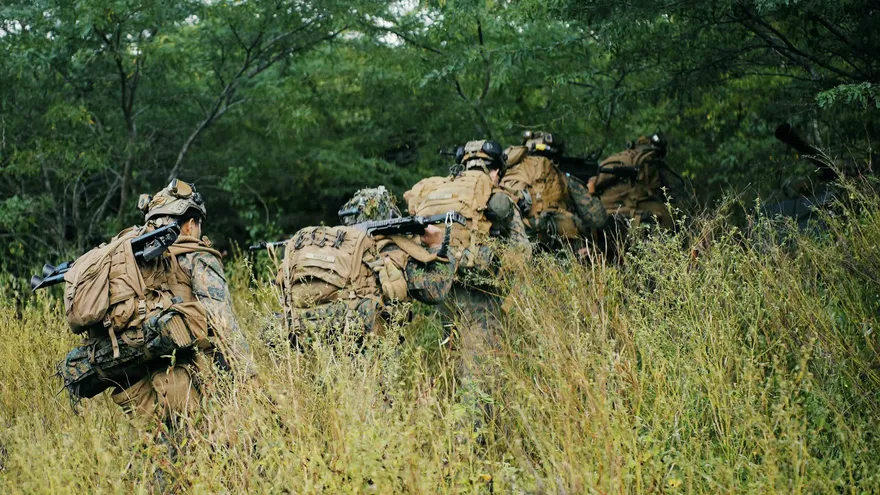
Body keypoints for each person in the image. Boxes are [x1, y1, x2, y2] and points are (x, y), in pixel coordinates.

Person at [404, 140, 531, 425]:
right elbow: (522, 251)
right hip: (480, 295)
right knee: (479, 374)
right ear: (496, 170)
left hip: (442, 292)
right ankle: (468, 445)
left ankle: (442, 425)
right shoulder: (495, 194)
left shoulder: (440, 191)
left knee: (452, 361)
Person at [108, 179, 256, 422]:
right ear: (190, 225)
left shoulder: (131, 264)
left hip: (139, 392)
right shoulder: (198, 258)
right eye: (198, 225)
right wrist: (251, 381)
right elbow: (224, 327)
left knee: (160, 455)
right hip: (191, 386)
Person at [273, 186, 457, 347]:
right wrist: (437, 244)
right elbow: (434, 292)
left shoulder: (334, 248)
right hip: (370, 352)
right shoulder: (391, 250)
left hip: (318, 345)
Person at [501, 130, 608, 251]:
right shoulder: (558, 175)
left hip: (514, 241)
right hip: (554, 245)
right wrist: (591, 191)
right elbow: (598, 219)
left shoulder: (505, 171)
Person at [593, 133, 689, 258]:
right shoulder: (652, 161)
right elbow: (674, 192)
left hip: (608, 217)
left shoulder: (619, 159)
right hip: (640, 219)